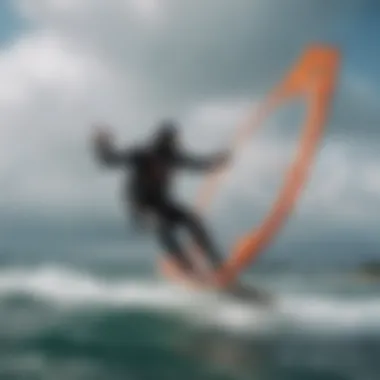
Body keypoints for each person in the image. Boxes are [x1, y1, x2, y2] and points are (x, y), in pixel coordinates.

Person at [91, 120, 230, 284]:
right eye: (170, 143)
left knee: (193, 221)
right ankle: (186, 267)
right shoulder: (142, 155)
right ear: (159, 142)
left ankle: (216, 263)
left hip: (162, 204)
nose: (173, 148)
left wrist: (219, 160)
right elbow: (110, 160)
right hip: (142, 209)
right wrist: (101, 143)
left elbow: (199, 165)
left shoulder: (173, 156)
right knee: (162, 225)